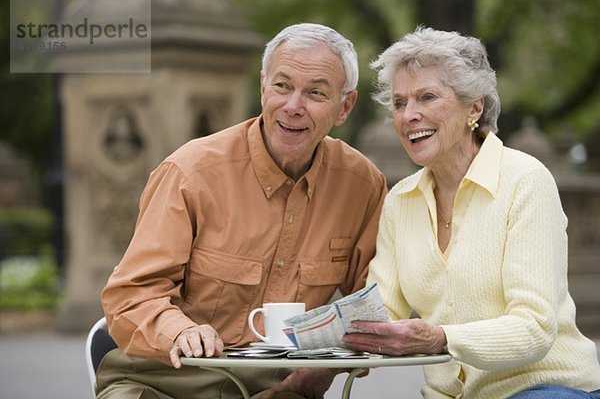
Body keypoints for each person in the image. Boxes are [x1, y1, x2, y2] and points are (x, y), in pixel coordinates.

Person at [97, 23, 387, 399]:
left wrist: (311, 379)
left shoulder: (361, 185)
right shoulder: (190, 173)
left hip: (281, 391)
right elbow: (129, 296)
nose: (293, 106)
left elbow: (374, 303)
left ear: (344, 106)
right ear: (263, 87)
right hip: (161, 383)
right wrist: (180, 331)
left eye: (315, 92)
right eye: (282, 86)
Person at [343, 27, 600, 398]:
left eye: (426, 97)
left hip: (545, 388)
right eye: (399, 103)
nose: (409, 115)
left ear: (474, 107)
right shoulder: (400, 200)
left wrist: (441, 338)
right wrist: (310, 338)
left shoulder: (526, 181)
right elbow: (380, 313)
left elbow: (534, 328)